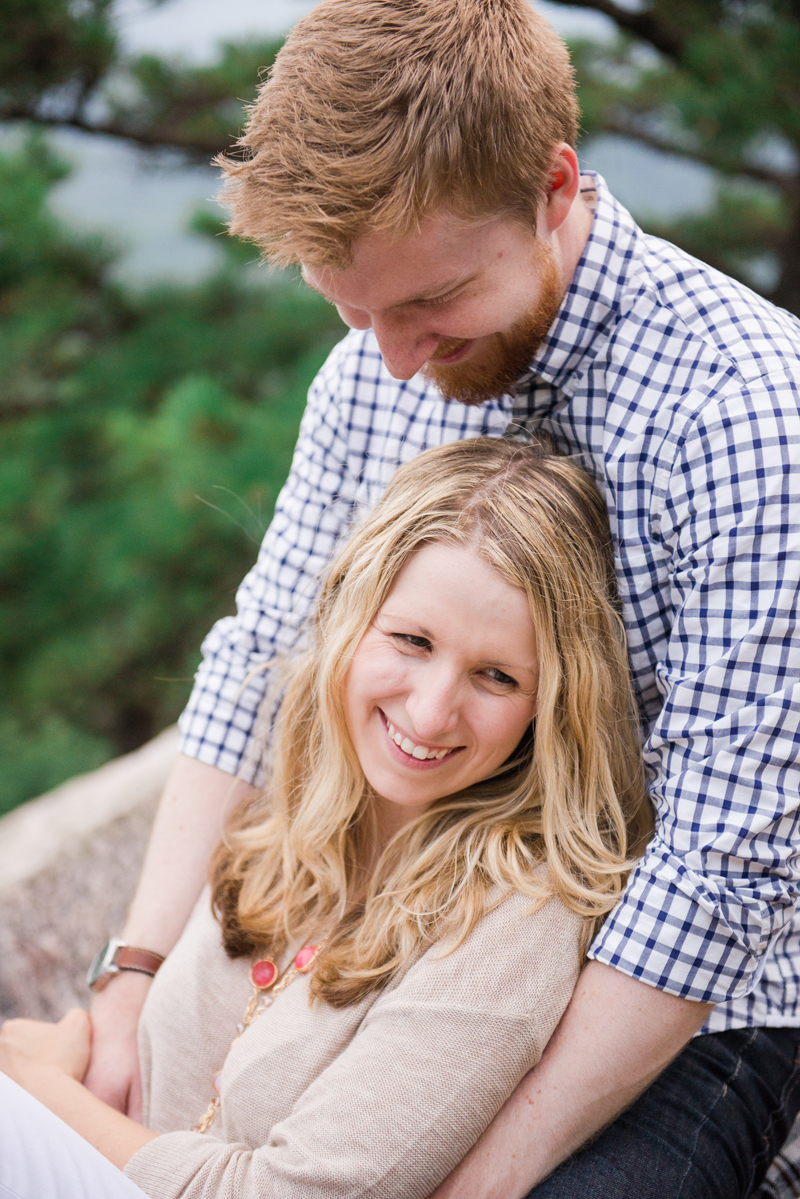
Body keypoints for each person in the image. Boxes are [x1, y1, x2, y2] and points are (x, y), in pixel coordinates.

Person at [84, 1, 800, 1195]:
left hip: (705, 999)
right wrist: (134, 966)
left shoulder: (749, 419)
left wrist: (480, 1179)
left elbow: (720, 873)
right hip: (419, 934)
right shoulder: (371, 370)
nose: (395, 360)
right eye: (352, 308)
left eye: (432, 305)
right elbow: (262, 653)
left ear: (553, 188)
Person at [0, 438, 649, 1199]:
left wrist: (47, 1092)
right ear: (350, 616)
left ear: (550, 707)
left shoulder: (515, 920)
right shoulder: (292, 824)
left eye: (496, 676)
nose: (433, 709)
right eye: (413, 640)